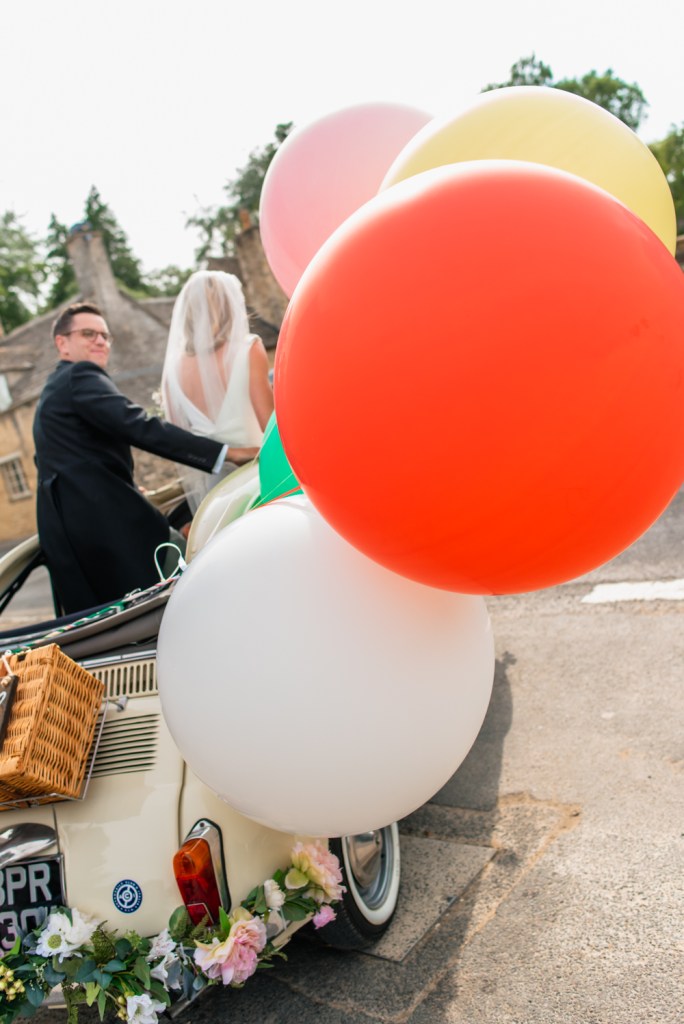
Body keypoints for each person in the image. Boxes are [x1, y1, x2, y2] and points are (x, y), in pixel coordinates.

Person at [33, 302, 259, 615]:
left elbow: (69, 452)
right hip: (97, 517)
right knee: (174, 572)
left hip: (67, 522)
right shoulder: (80, 376)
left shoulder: (57, 385)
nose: (100, 341)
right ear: (62, 343)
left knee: (100, 610)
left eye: (104, 335)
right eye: (88, 334)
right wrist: (227, 452)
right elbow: (139, 425)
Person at [161, 271, 274, 510]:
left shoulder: (173, 370)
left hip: (211, 494)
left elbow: (178, 440)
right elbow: (272, 429)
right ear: (229, 306)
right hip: (256, 478)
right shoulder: (248, 348)